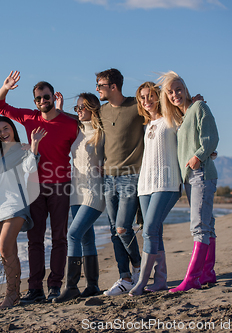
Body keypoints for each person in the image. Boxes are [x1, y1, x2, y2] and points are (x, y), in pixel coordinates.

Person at [0, 71, 79, 303]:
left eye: (46, 97)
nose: (43, 101)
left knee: (59, 238)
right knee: (35, 240)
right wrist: (6, 87)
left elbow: (88, 133)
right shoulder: (30, 118)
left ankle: (54, 286)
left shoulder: (70, 123)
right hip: (34, 189)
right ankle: (35, 288)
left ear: (53, 96)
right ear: (34, 102)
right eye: (39, 98)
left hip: (60, 185)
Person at [157, 71, 219, 293]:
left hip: (201, 173)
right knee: (207, 225)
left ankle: (192, 278)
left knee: (199, 227)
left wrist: (198, 157)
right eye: (170, 92)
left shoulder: (199, 108)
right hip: (191, 178)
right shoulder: (182, 119)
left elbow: (211, 137)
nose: (175, 95)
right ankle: (207, 273)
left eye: (178, 90)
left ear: (185, 89)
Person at [128, 82, 182, 296]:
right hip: (145, 185)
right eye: (142, 97)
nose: (146, 101)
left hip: (167, 184)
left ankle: (141, 282)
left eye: (150, 96)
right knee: (155, 231)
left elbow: (190, 134)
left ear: (159, 97)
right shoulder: (145, 124)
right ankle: (160, 280)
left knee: (149, 229)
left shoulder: (172, 119)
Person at [51, 92, 105, 303]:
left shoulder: (102, 132)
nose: (79, 111)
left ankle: (71, 286)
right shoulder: (78, 129)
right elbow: (64, 119)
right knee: (85, 238)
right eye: (77, 108)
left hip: (94, 191)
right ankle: (92, 285)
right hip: (76, 192)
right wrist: (61, 108)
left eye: (82, 107)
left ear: (93, 107)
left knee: (72, 234)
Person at [95, 68, 144, 295]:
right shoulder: (101, 111)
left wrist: (193, 101)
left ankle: (138, 267)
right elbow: (81, 120)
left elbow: (167, 108)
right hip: (108, 177)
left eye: (100, 85)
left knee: (124, 228)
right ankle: (124, 278)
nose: (98, 89)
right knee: (114, 231)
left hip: (130, 175)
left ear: (113, 86)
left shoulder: (137, 105)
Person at [0, 116, 47, 308]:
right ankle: (13, 295)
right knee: (9, 251)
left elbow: (31, 167)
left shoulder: (23, 149)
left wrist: (34, 145)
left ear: (12, 128)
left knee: (4, 247)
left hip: (16, 204)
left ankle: (10, 294)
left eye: (6, 128)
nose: (4, 133)